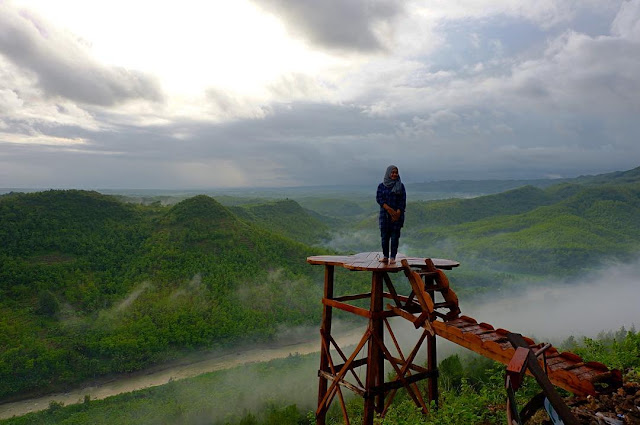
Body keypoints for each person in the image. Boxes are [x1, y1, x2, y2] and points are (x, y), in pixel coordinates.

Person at [376, 165, 406, 264]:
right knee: (384, 237)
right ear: (388, 173)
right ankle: (385, 256)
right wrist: (389, 209)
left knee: (394, 238)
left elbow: (402, 200)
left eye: (396, 172)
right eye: (392, 172)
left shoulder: (400, 186)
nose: (394, 174)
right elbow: (379, 199)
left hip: (397, 217)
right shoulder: (381, 186)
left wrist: (397, 213)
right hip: (384, 216)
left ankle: (392, 257)